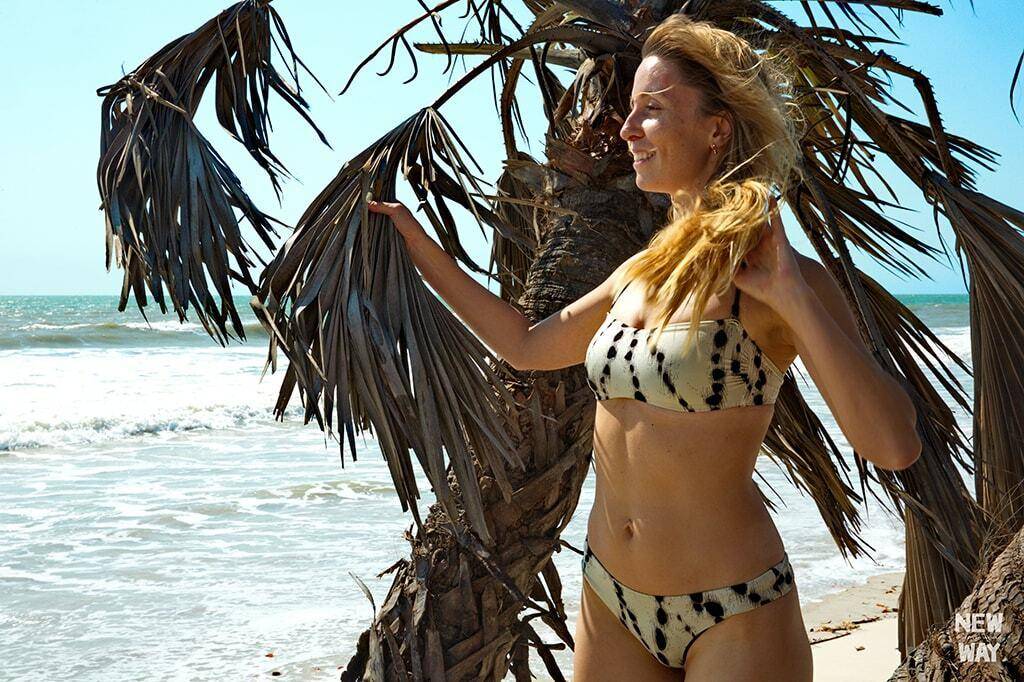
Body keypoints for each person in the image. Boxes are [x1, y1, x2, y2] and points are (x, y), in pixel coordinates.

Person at [368, 13, 921, 681]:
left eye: (651, 111)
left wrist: (794, 298)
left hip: (733, 607)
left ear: (716, 129)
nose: (626, 130)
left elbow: (894, 445)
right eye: (630, 111)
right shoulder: (639, 271)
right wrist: (416, 243)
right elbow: (526, 344)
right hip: (610, 598)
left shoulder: (781, 278)